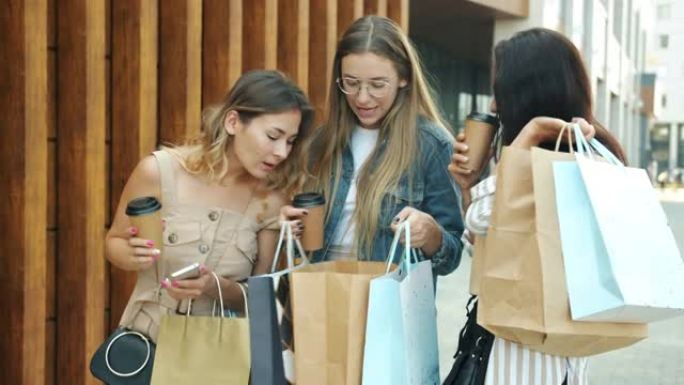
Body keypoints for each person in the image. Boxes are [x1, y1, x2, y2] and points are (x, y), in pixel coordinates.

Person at [449, 28, 627, 385]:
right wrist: (468, 186)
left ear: (526, 91)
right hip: (509, 345)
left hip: (532, 358)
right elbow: (485, 250)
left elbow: (483, 218)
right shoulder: (547, 157)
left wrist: (527, 138)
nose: (495, 105)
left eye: (500, 90)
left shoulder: (581, 163)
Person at [105, 70, 313, 342]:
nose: (282, 152)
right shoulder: (159, 172)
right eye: (273, 136)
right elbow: (114, 242)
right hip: (146, 349)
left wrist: (215, 287)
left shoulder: (272, 200)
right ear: (233, 122)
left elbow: (260, 301)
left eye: (290, 141)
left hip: (219, 358)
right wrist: (132, 254)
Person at [282, 15, 464, 273]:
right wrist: (291, 228)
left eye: (377, 85)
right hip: (322, 294)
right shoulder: (321, 142)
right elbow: (300, 242)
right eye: (351, 83)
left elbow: (452, 256)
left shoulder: (431, 146)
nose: (362, 98)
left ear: (404, 78)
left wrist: (431, 234)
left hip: (390, 302)